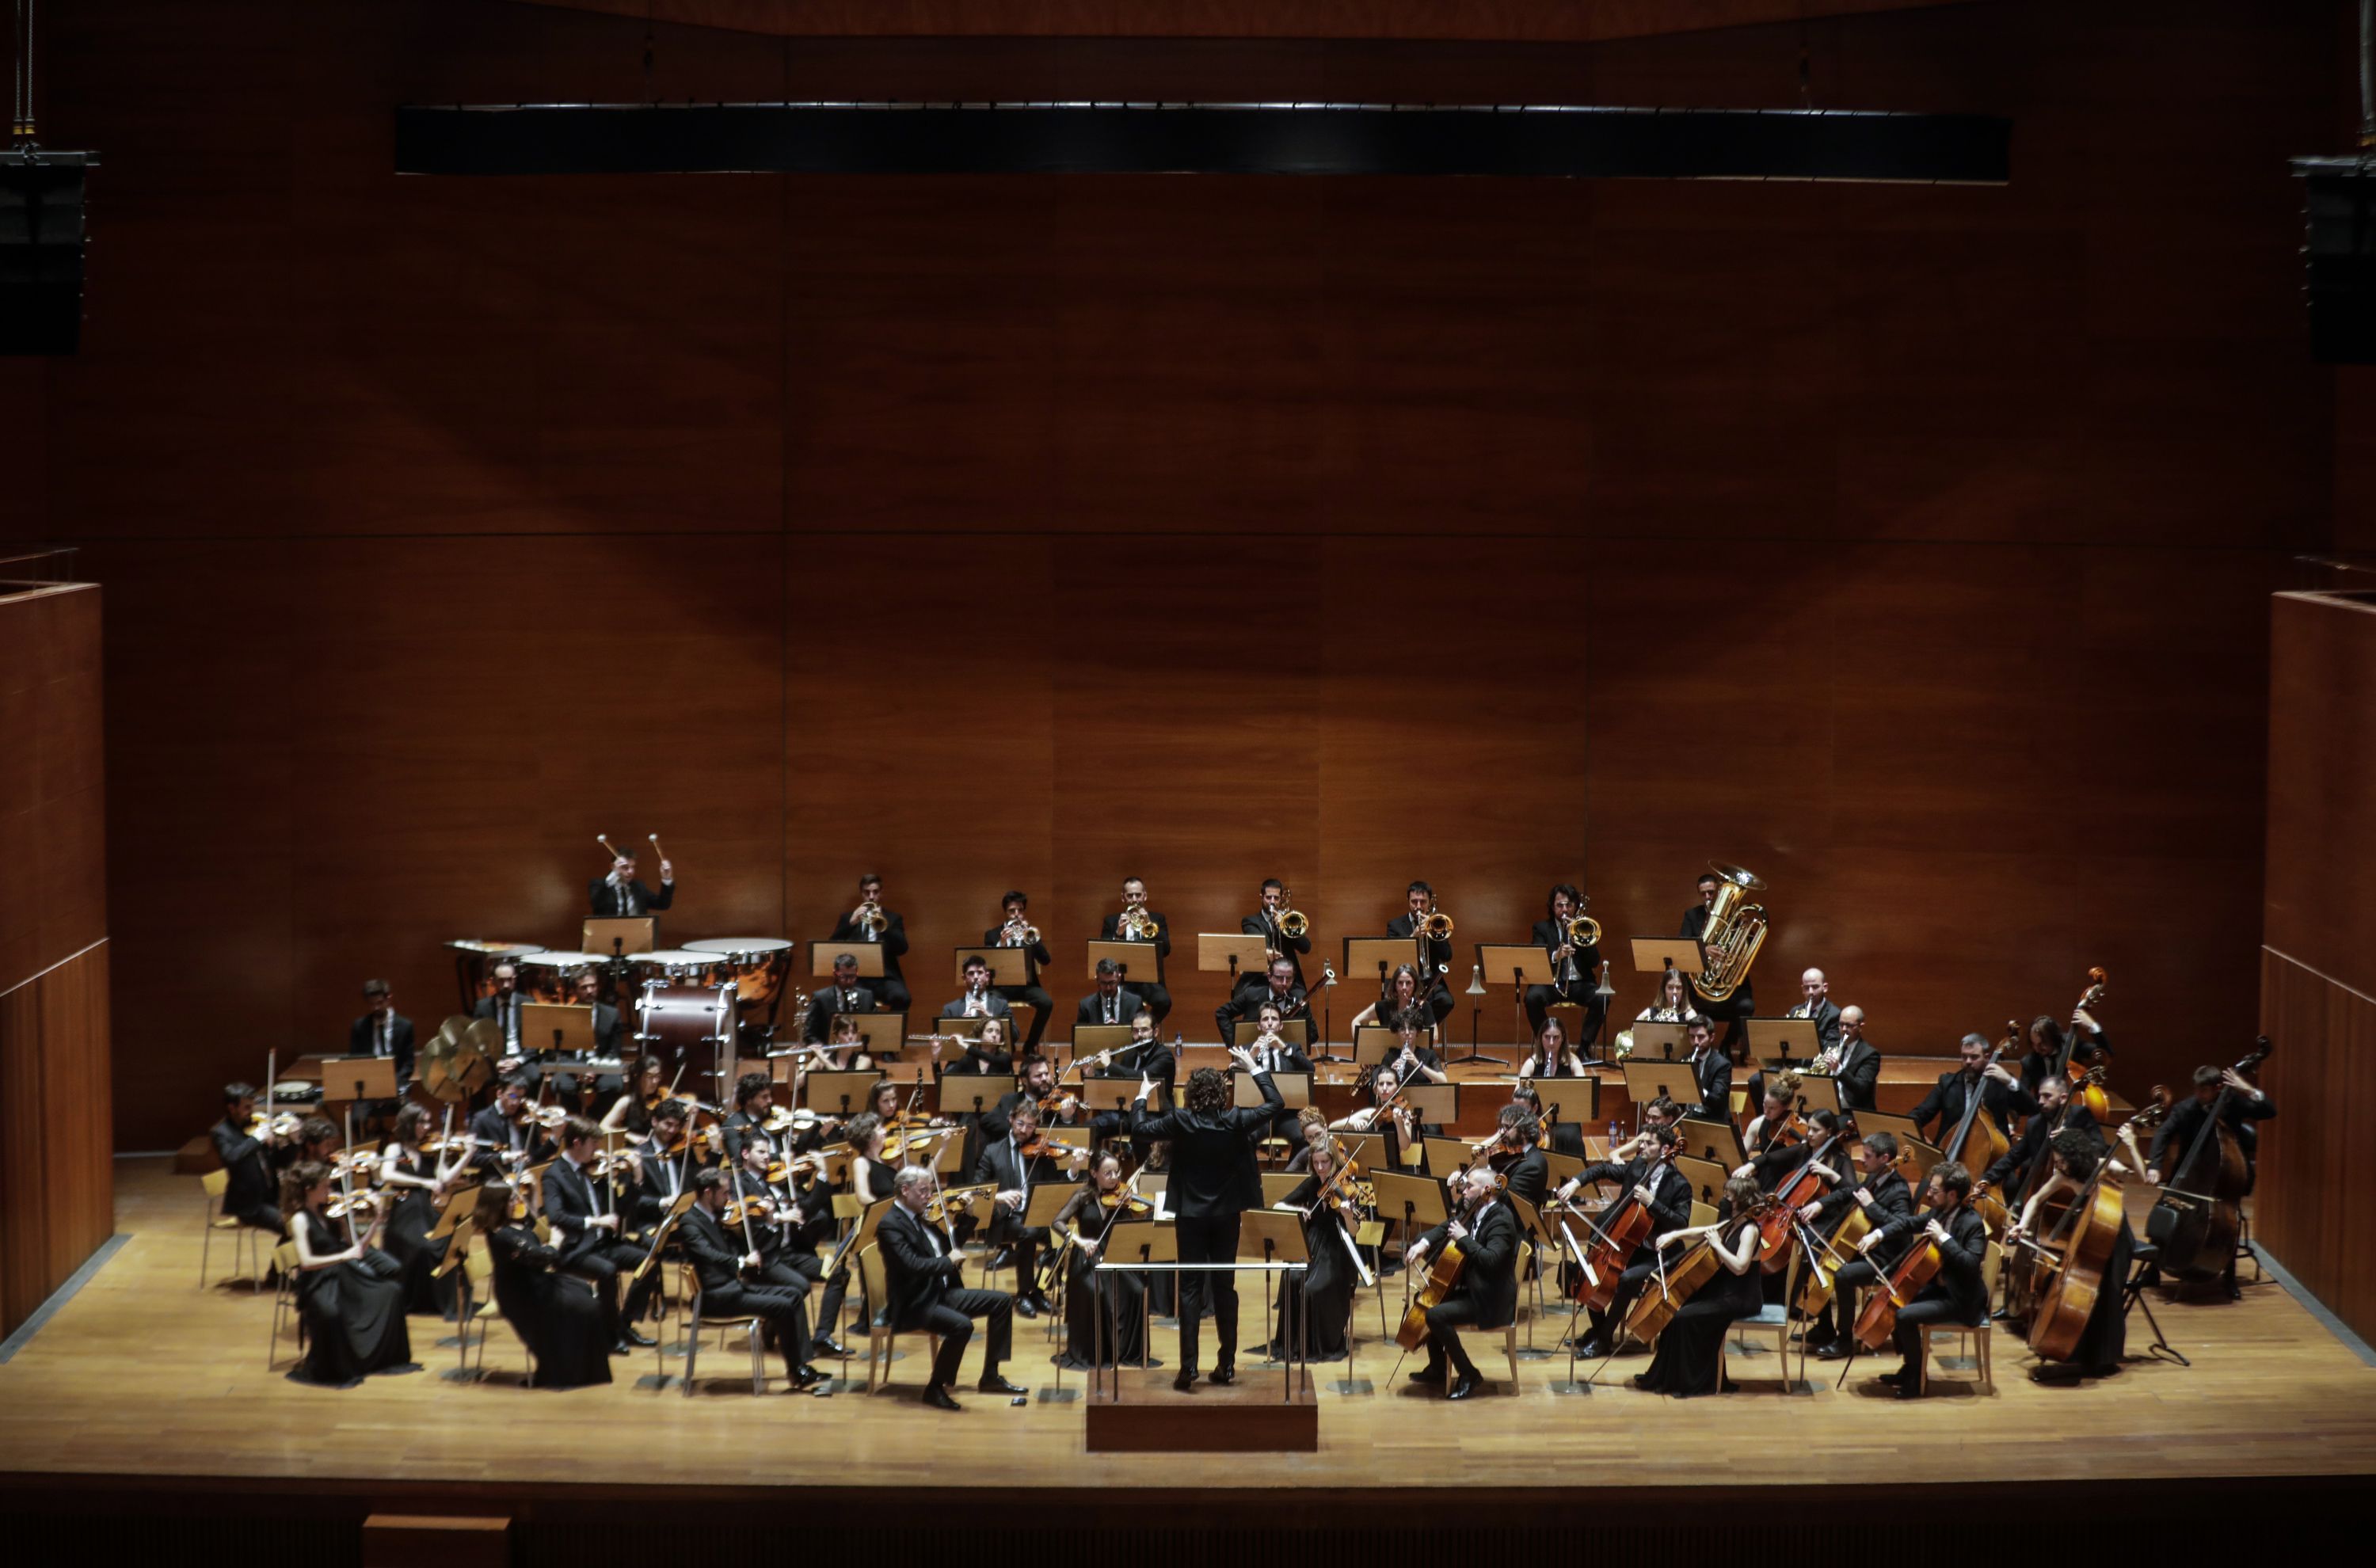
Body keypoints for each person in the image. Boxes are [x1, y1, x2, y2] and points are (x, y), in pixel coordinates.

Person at [1130, 1046, 1281, 1390]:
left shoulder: (1180, 1121)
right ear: (1222, 1093)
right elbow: (1276, 1105)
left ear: (1190, 1094)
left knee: (1191, 1289)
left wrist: (1141, 1097)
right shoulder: (1235, 1120)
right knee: (1225, 1287)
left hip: (1190, 1215)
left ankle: (1188, 1369)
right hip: (1227, 1214)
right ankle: (1226, 1365)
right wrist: (1255, 1067)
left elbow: (1139, 1129)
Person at [876, 1164, 1024, 1410]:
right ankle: (934, 1388)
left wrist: (966, 1217)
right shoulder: (890, 1225)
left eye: (930, 1190)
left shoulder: (921, 1216)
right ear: (905, 1190)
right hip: (915, 1302)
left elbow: (950, 1246)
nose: (929, 1196)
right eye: (923, 1191)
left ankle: (990, 1376)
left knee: (1002, 1301)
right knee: (962, 1326)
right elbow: (912, 1265)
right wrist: (947, 1262)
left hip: (939, 1293)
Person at [678, 1168, 823, 1391]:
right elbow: (708, 1254)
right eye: (725, 1193)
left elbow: (731, 1245)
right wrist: (741, 1262)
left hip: (732, 1287)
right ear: (708, 1193)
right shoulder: (690, 1223)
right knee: (783, 1305)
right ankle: (796, 1370)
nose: (729, 1198)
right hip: (717, 1297)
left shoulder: (714, 1217)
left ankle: (801, 1367)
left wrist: (762, 1223)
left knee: (794, 1294)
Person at [2012, 1127, 2138, 1381]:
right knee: (2077, 1290)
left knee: (2108, 1294)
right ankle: (2074, 1351)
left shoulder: (2102, 1166)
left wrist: (2132, 1145)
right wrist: (2022, 1224)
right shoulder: (2063, 1176)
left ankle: (2104, 1359)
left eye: (2061, 1159)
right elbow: (2036, 1198)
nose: (2057, 1164)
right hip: (2087, 1233)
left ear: (2075, 1156)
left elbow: (2140, 1177)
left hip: (2115, 1236)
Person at [1631, 1174, 1768, 1397]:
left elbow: (1740, 1267)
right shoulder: (1735, 1221)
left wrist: (1717, 1246)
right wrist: (1675, 1234)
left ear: (1740, 1200)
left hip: (1741, 1297)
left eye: (1729, 1195)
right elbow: (1704, 1231)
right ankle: (1664, 1376)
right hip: (1724, 1291)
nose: (1724, 1198)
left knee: (1685, 1318)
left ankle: (1692, 1382)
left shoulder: (1750, 1230)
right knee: (1674, 1312)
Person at [280, 1160, 416, 1386]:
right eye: (325, 1187)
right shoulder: (299, 1219)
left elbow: (358, 1248)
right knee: (332, 1313)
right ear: (309, 1190)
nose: (331, 1191)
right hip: (317, 1281)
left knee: (390, 1292)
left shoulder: (332, 1213)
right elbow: (306, 1262)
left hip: (344, 1275)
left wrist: (377, 1219)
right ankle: (338, 1365)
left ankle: (377, 1360)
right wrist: (344, 1256)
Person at [1567, 1123, 1693, 1358]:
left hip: (1659, 1250)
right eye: (1642, 1141)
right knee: (1586, 1269)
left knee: (1627, 1279)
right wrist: (1576, 1182)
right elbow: (1602, 1169)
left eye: (1648, 1143)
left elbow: (1681, 1223)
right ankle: (1599, 1330)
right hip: (1630, 1245)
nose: (1641, 1146)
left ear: (1665, 1149)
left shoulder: (1679, 1184)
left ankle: (1604, 1339)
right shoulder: (1637, 1167)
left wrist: (1651, 1202)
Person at [472, 1184, 613, 1388]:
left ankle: (582, 1367)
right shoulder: (502, 1236)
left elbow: (532, 1223)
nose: (517, 1202)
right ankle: (565, 1370)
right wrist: (555, 1242)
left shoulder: (512, 1223)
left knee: (585, 1294)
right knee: (584, 1308)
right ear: (499, 1205)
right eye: (512, 1200)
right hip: (522, 1294)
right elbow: (542, 1257)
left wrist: (535, 1194)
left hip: (536, 1282)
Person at [1870, 1162, 1989, 1399]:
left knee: (1904, 1315)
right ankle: (1909, 1367)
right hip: (1940, 1289)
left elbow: (1969, 1266)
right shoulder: (1940, 1212)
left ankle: (1915, 1378)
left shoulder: (1972, 1223)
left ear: (1952, 1194)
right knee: (1896, 1301)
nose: (1929, 1194)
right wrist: (1878, 1234)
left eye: (1935, 1191)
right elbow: (1907, 1223)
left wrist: (1943, 1238)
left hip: (1961, 1299)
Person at [540, 1116, 658, 1353]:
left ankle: (623, 1324)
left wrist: (636, 1179)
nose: (599, 1151)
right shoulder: (554, 1174)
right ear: (576, 1143)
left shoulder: (595, 1171)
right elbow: (556, 1216)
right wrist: (595, 1221)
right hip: (574, 1248)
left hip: (603, 1243)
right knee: (607, 1271)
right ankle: (609, 1334)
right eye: (593, 1144)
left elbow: (620, 1211)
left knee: (650, 1262)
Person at [1401, 1165, 1519, 1400]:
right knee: (1428, 1300)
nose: (1464, 1191)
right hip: (1474, 1289)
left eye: (1469, 1187)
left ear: (1487, 1189)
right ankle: (1437, 1368)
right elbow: (1448, 1226)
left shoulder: (1502, 1220)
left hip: (1490, 1299)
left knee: (1436, 1315)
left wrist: (1464, 1239)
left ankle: (1469, 1373)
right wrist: (1424, 1243)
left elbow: (1491, 1261)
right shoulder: (1476, 1209)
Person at [1807, 1131, 1917, 1358]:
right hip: (1866, 1250)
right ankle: (1825, 1326)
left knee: (1843, 1276)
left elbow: (1901, 1226)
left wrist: (1872, 1206)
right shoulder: (1874, 1176)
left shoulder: (1899, 1190)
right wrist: (1821, 1204)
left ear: (1884, 1158)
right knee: (1817, 1257)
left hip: (1887, 1258)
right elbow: (1850, 1192)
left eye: (1867, 1156)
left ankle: (1844, 1339)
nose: (1862, 1160)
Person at [1261, 1136, 1365, 1362]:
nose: (1320, 1168)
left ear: (1334, 1162)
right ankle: (1294, 1343)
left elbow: (1354, 1231)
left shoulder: (1349, 1188)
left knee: (1312, 1290)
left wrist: (1348, 1216)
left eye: (1324, 1163)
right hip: (1312, 1243)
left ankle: (1319, 1344)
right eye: (1316, 1163)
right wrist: (1297, 1211)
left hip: (1337, 1250)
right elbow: (1279, 1204)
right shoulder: (1312, 1183)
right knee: (1292, 1280)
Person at [1051, 1152, 1154, 1368]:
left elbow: (1135, 1225)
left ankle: (1125, 1351)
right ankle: (1096, 1351)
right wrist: (1078, 1240)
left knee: (1137, 1291)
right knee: (1095, 1292)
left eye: (1117, 1172)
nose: (1114, 1177)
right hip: (1087, 1257)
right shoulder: (1082, 1196)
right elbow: (1057, 1222)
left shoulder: (1123, 1198)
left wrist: (1140, 1212)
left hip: (1114, 1255)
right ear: (1094, 1173)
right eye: (1107, 1173)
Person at [972, 1098, 1072, 1319]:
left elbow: (1056, 1187)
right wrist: (998, 1196)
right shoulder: (992, 1152)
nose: (1024, 1130)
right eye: (1020, 1124)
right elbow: (976, 1190)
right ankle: (1023, 1294)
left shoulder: (1042, 1153)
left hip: (1036, 1217)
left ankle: (1038, 1289)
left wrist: (1074, 1169)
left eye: (1030, 1126)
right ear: (1010, 1120)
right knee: (1028, 1233)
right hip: (1004, 1219)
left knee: (1067, 1236)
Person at [377, 1103, 466, 1316]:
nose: (427, 1126)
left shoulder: (431, 1152)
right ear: (409, 1123)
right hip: (404, 1213)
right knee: (422, 1247)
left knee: (450, 1241)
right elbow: (386, 1174)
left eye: (428, 1122)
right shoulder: (394, 1149)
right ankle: (417, 1300)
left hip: (425, 1212)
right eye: (422, 1122)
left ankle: (439, 1299)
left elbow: (445, 1179)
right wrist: (423, 1183)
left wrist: (468, 1155)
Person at [1981, 1074, 2099, 1212]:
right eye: (2040, 1096)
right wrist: (1987, 1179)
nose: (2041, 1101)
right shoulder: (2034, 1124)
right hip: (2043, 1187)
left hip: (2077, 1187)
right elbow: (2014, 1156)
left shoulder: (2080, 1115)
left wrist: (2072, 1139)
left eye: (2047, 1096)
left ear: (2063, 1098)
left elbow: (2099, 1147)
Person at [1910, 1033, 2028, 1151]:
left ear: (1987, 1057)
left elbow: (2028, 1108)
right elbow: (1920, 1114)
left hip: (1989, 1155)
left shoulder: (2000, 1083)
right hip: (1949, 1151)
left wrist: (2010, 1081)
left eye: (1974, 1057)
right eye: (1964, 1056)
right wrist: (1922, 1140)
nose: (1968, 1061)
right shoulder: (1947, 1083)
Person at [1680, 869, 1754, 1056]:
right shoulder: (1692, 916)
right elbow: (1683, 947)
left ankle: (1727, 1045)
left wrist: (1744, 931)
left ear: (1719, 892)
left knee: (1747, 1006)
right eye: (1703, 893)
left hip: (1727, 988)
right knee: (1681, 1001)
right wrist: (1704, 951)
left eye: (1711, 892)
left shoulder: (1737, 916)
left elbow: (1748, 947)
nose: (1707, 897)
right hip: (1700, 987)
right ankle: (1694, 1048)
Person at [1525, 882, 1605, 1045]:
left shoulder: (1583, 928)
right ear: (1552, 907)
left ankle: (1584, 1047)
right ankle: (1547, 1043)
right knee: (1532, 998)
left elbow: (1595, 961)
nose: (1564, 909)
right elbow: (1537, 957)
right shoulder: (1541, 928)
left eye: (1569, 905)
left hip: (1580, 984)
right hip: (1552, 984)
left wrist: (1578, 938)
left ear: (1575, 906)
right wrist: (1557, 955)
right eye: (1559, 905)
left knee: (1602, 997)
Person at [828, 872, 910, 1013]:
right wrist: (851, 923)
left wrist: (883, 926)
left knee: (903, 997)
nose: (871, 897)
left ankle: (892, 1032)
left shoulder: (893, 918)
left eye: (875, 892)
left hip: (885, 978)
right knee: (850, 999)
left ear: (881, 893)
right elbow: (832, 946)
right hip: (856, 978)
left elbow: (902, 948)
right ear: (861, 893)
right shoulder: (848, 918)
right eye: (867, 892)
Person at [211, 1083, 287, 1235]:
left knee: (306, 1222)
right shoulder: (221, 1133)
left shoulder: (257, 1126)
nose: (251, 1112)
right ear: (232, 1108)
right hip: (250, 1205)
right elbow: (230, 1157)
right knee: (292, 1227)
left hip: (272, 1197)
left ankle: (286, 1259)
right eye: (246, 1108)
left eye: (252, 1107)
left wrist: (290, 1141)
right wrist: (256, 1140)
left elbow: (281, 1162)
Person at [986, 890, 1056, 1052]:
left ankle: (1030, 1045)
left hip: (1027, 986)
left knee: (1047, 1003)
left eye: (1020, 910)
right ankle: (1005, 1046)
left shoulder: (1029, 934)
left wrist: (1033, 939)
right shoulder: (992, 935)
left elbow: (1046, 960)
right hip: (1001, 988)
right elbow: (988, 966)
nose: (1016, 915)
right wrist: (1002, 943)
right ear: (1005, 912)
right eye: (1012, 911)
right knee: (992, 1003)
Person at [1382, 882, 1456, 1033]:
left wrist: (1433, 934)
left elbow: (1447, 955)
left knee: (1446, 1001)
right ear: (1408, 901)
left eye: (1423, 902)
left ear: (1429, 903)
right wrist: (1413, 937)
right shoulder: (1395, 925)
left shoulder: (1437, 924)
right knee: (1392, 1002)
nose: (1418, 906)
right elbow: (1393, 956)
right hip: (1405, 980)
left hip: (1430, 982)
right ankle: (1409, 1034)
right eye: (1414, 901)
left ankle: (1419, 1033)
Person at [1097, 876, 1171, 1024]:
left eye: (1138, 894)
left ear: (1145, 895)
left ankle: (1145, 1030)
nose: (1135, 899)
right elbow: (1103, 956)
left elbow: (1166, 950)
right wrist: (1118, 933)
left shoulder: (1157, 919)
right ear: (1123, 898)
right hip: (1121, 981)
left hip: (1149, 981)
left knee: (1164, 1001)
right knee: (1119, 1006)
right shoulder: (1111, 921)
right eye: (1130, 895)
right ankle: (1131, 1035)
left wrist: (1149, 924)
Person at [1216, 957, 1316, 1049]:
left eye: (1289, 978)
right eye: (1279, 978)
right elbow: (1222, 1013)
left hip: (1286, 1056)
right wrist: (1235, 1045)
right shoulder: (1252, 994)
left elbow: (1313, 1034)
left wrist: (1289, 1045)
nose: (1284, 983)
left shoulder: (1299, 998)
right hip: (1255, 1055)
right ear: (1269, 977)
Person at [349, 980, 414, 1101]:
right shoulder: (359, 1027)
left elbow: (408, 1064)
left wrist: (393, 1083)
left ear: (389, 998)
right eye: (372, 1004)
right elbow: (354, 1061)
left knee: (408, 1114)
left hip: (397, 1084)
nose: (376, 1008)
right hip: (368, 1086)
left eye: (380, 1002)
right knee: (356, 1117)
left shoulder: (405, 1026)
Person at [1241, 877, 1311, 988]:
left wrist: (1284, 926)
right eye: (1268, 897)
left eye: (1276, 898)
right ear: (1262, 897)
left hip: (1288, 980)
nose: (1272, 901)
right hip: (1261, 980)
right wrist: (1268, 951)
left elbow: (1306, 948)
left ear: (1281, 899)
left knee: (1303, 1000)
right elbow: (1259, 941)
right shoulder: (1251, 921)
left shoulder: (1286, 922)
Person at [805, 952, 881, 1044]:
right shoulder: (820, 998)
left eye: (852, 977)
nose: (848, 981)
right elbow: (809, 1034)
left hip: (859, 1053)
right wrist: (823, 1050)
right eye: (843, 977)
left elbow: (876, 1029)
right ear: (835, 974)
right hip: (829, 1053)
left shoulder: (867, 997)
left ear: (857, 973)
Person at [1819, 1005, 1882, 1113]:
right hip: (1825, 1106)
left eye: (1849, 1025)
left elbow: (1860, 1089)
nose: (1844, 1029)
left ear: (1861, 1026)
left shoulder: (1870, 1055)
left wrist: (1839, 1070)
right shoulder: (1830, 1047)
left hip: (1850, 1111)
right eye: (1841, 1024)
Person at [590, 848, 674, 917]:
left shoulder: (638, 887)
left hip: (636, 934)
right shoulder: (598, 884)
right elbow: (596, 903)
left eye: (632, 867)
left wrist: (666, 878)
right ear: (613, 867)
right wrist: (615, 873)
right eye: (625, 867)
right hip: (607, 934)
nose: (630, 871)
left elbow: (663, 904)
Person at [473, 962, 528, 1058]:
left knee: (533, 1073)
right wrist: (495, 1062)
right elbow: (477, 1041)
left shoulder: (528, 1004)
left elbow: (535, 1040)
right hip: (493, 1058)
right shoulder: (482, 1007)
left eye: (509, 980)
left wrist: (518, 1061)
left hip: (520, 1057)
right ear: (493, 981)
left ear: (514, 980)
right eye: (501, 981)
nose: (506, 985)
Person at [1683, 1018, 1731, 1125]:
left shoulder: (1722, 1065)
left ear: (1712, 1037)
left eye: (1701, 1037)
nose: (1696, 1042)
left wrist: (1697, 1088)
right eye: (1692, 1037)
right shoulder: (1685, 1060)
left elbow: (1718, 1100)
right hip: (1686, 1117)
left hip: (1710, 1119)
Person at [1076, 958, 1146, 1031]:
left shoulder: (1135, 1003)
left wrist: (1119, 1030)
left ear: (1119, 978)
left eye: (1112, 983)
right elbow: (1081, 1037)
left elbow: (1143, 1033)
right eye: (1104, 983)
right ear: (1097, 981)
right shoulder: (1086, 1006)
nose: (1108, 988)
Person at [941, 954, 1014, 1024]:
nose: (976, 977)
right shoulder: (950, 1010)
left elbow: (1014, 1034)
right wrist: (961, 1024)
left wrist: (989, 1018)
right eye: (971, 973)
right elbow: (945, 1034)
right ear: (964, 978)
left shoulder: (1002, 1005)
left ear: (987, 977)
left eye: (980, 972)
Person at [1517, 1016, 1586, 1081]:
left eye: (1556, 1037)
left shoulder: (1573, 1061)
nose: (1551, 1043)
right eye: (1547, 1037)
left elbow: (1585, 1089)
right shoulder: (1531, 1064)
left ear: (1563, 1038)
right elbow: (1517, 1093)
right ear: (1541, 1037)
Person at [1635, 968, 1703, 1027]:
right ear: (1664, 990)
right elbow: (1634, 1031)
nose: (1675, 992)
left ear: (1684, 991)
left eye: (1679, 988)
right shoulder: (1650, 1013)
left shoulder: (1689, 1015)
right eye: (1670, 988)